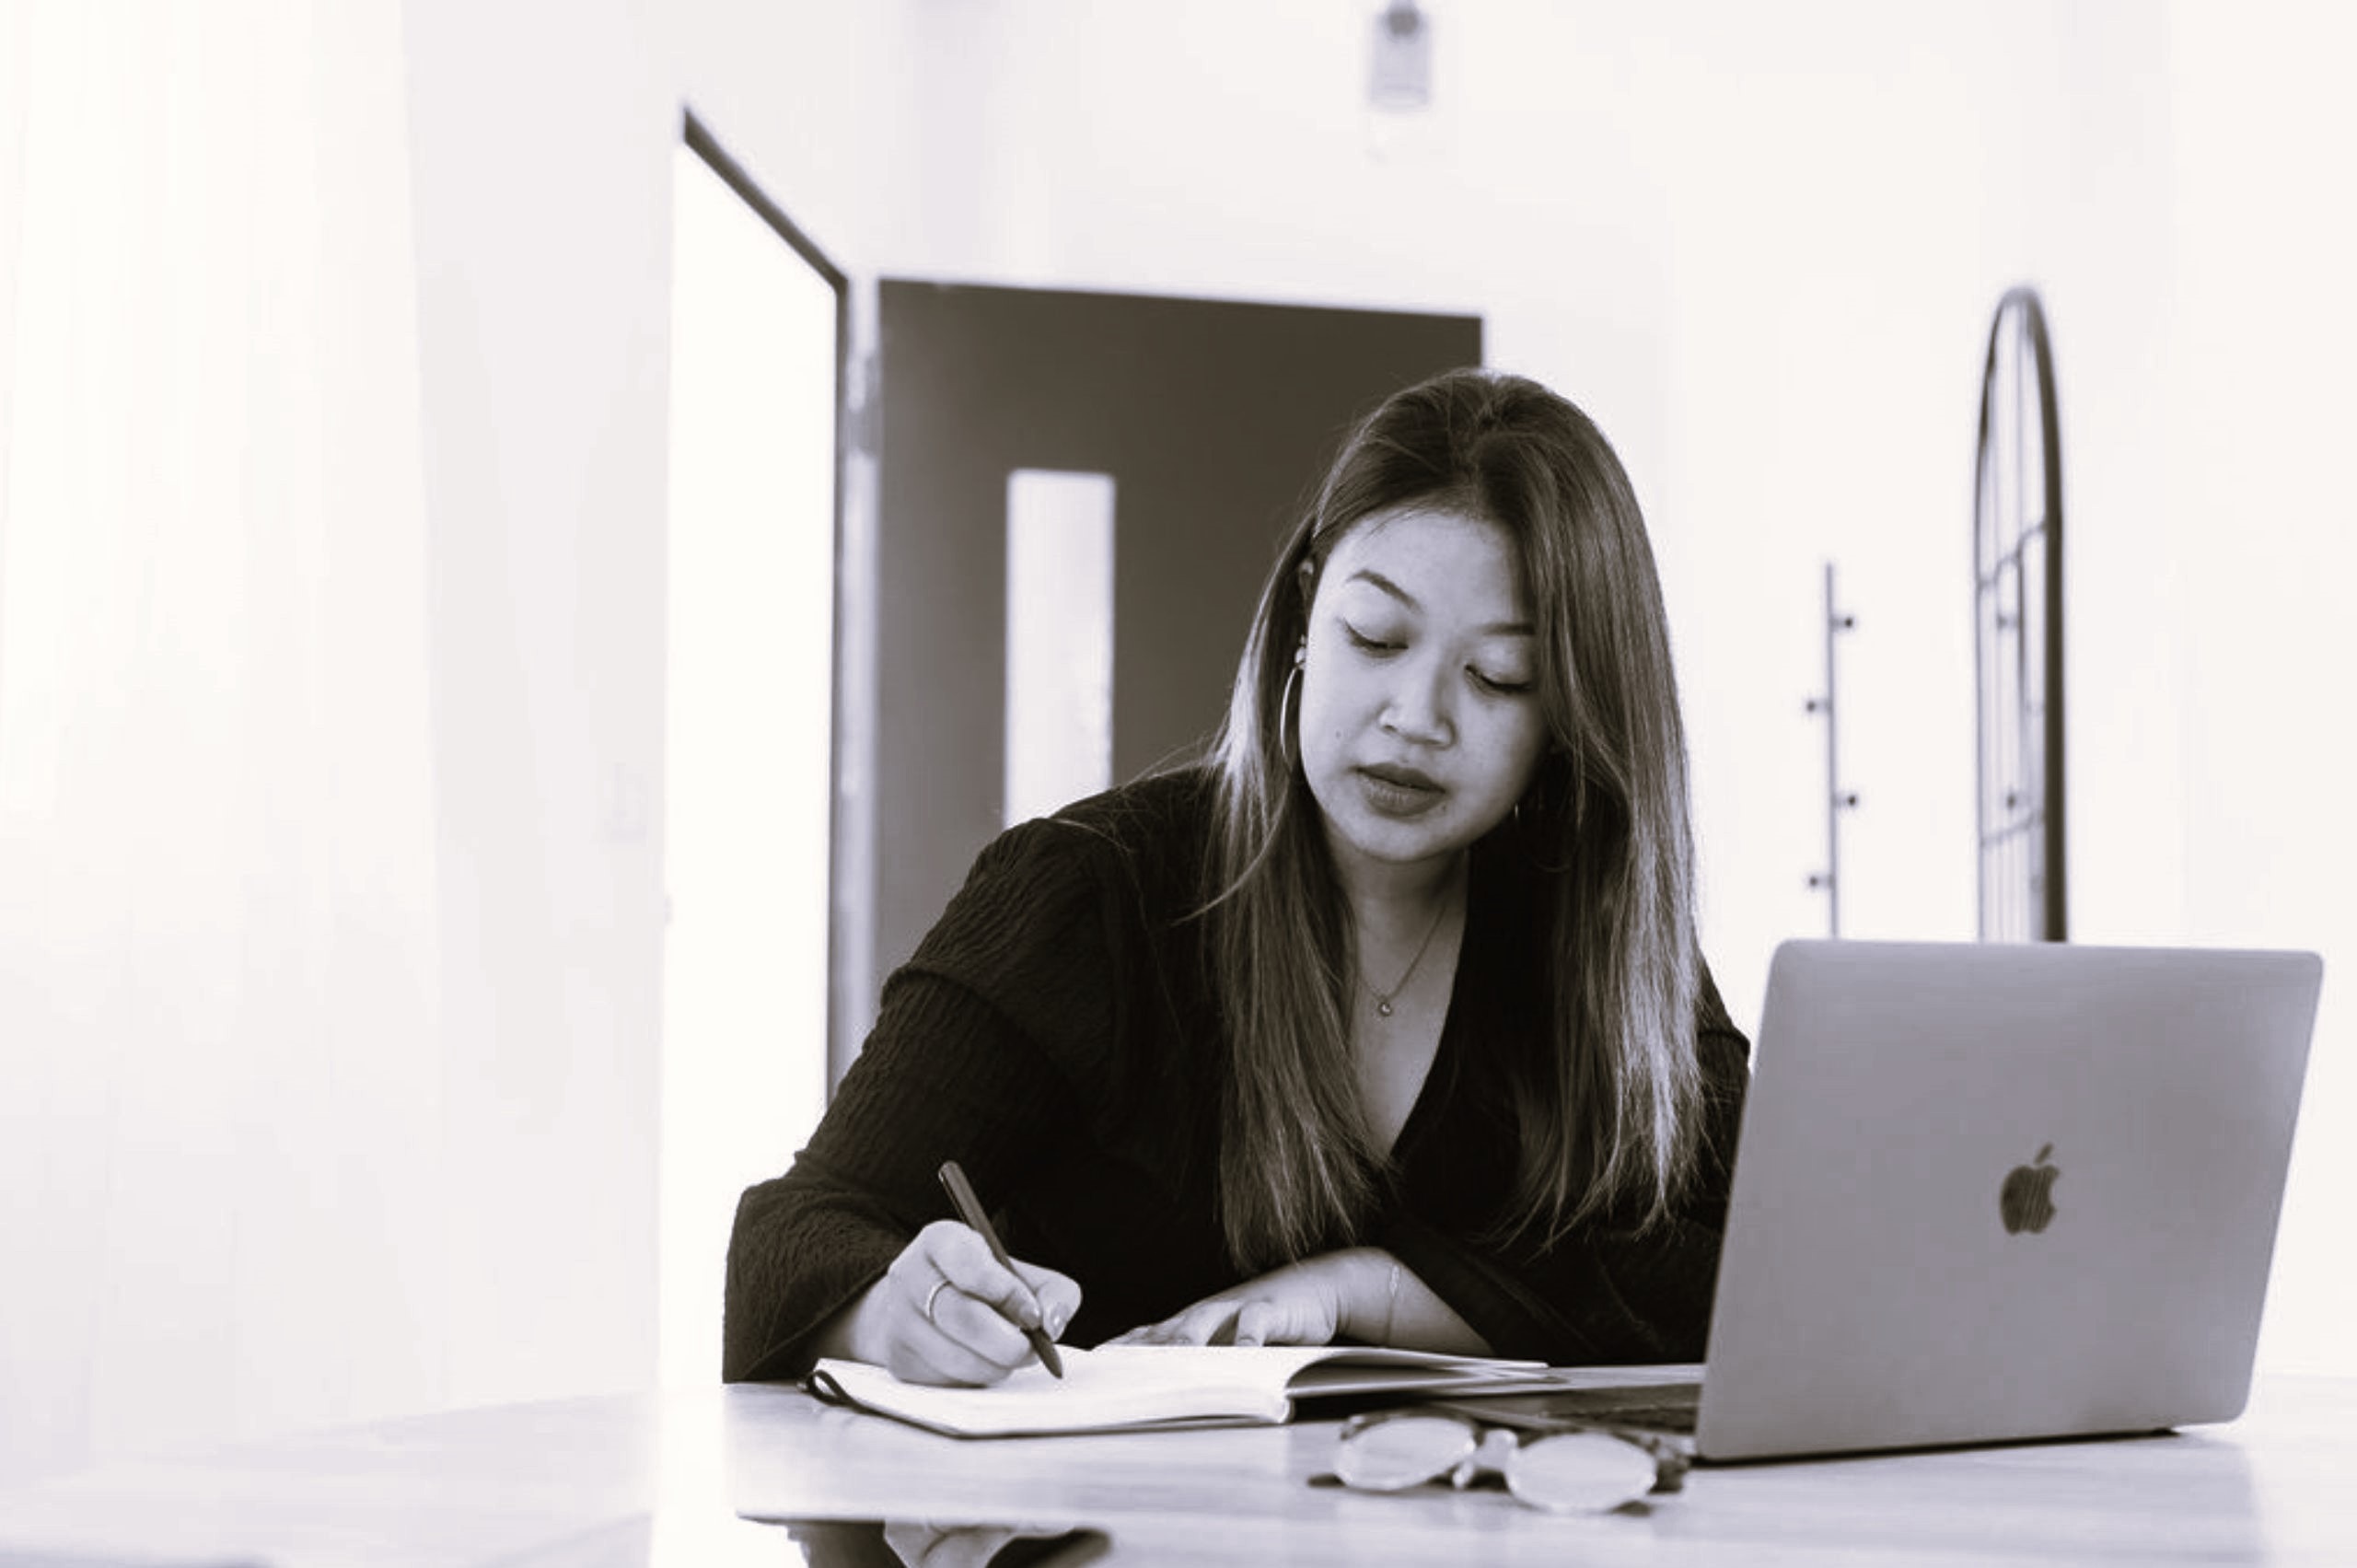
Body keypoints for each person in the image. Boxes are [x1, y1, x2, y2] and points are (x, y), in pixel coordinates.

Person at [723, 367, 1749, 1389]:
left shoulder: (1596, 924)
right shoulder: (1091, 891)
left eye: (1498, 677)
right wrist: (892, 1313)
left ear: (1570, 710)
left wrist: (1364, 1291)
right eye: (1375, 637)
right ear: (1306, 610)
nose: (1416, 715)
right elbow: (789, 1242)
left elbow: (1738, 1275)